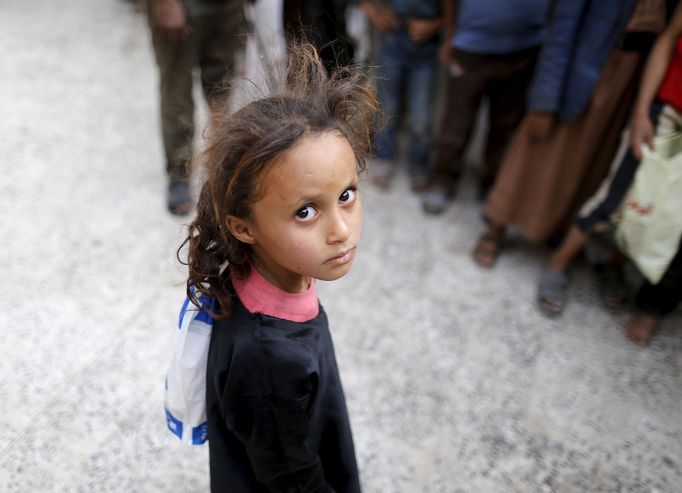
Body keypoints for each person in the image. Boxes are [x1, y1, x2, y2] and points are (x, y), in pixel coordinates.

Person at [178, 44, 379, 491]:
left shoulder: (267, 271)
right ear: (243, 227)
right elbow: (293, 480)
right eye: (306, 212)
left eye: (346, 194)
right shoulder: (268, 362)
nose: (341, 230)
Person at [473, 0, 668, 268]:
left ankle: (557, 232)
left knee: (588, 165)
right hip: (581, 73)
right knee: (536, 154)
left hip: (629, 81)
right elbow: (561, 29)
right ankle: (496, 225)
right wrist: (545, 98)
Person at [536, 1, 682, 323]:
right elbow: (669, 36)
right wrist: (643, 109)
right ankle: (559, 263)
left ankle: (613, 266)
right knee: (614, 196)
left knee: (662, 213)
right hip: (668, 113)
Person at [420, 0, 549, 211]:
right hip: (471, 45)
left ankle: (493, 185)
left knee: (507, 124)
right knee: (456, 121)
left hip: (526, 48)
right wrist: (451, 35)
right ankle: (442, 180)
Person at [146, 0, 246, 216]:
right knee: (177, 89)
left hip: (227, 8)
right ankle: (179, 172)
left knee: (222, 85)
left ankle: (222, 163)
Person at [360, 0, 441, 191]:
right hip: (392, 38)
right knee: (386, 108)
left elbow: (454, 6)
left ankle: (418, 164)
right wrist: (374, 12)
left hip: (427, 44)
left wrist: (437, 23)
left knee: (421, 115)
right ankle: (383, 158)